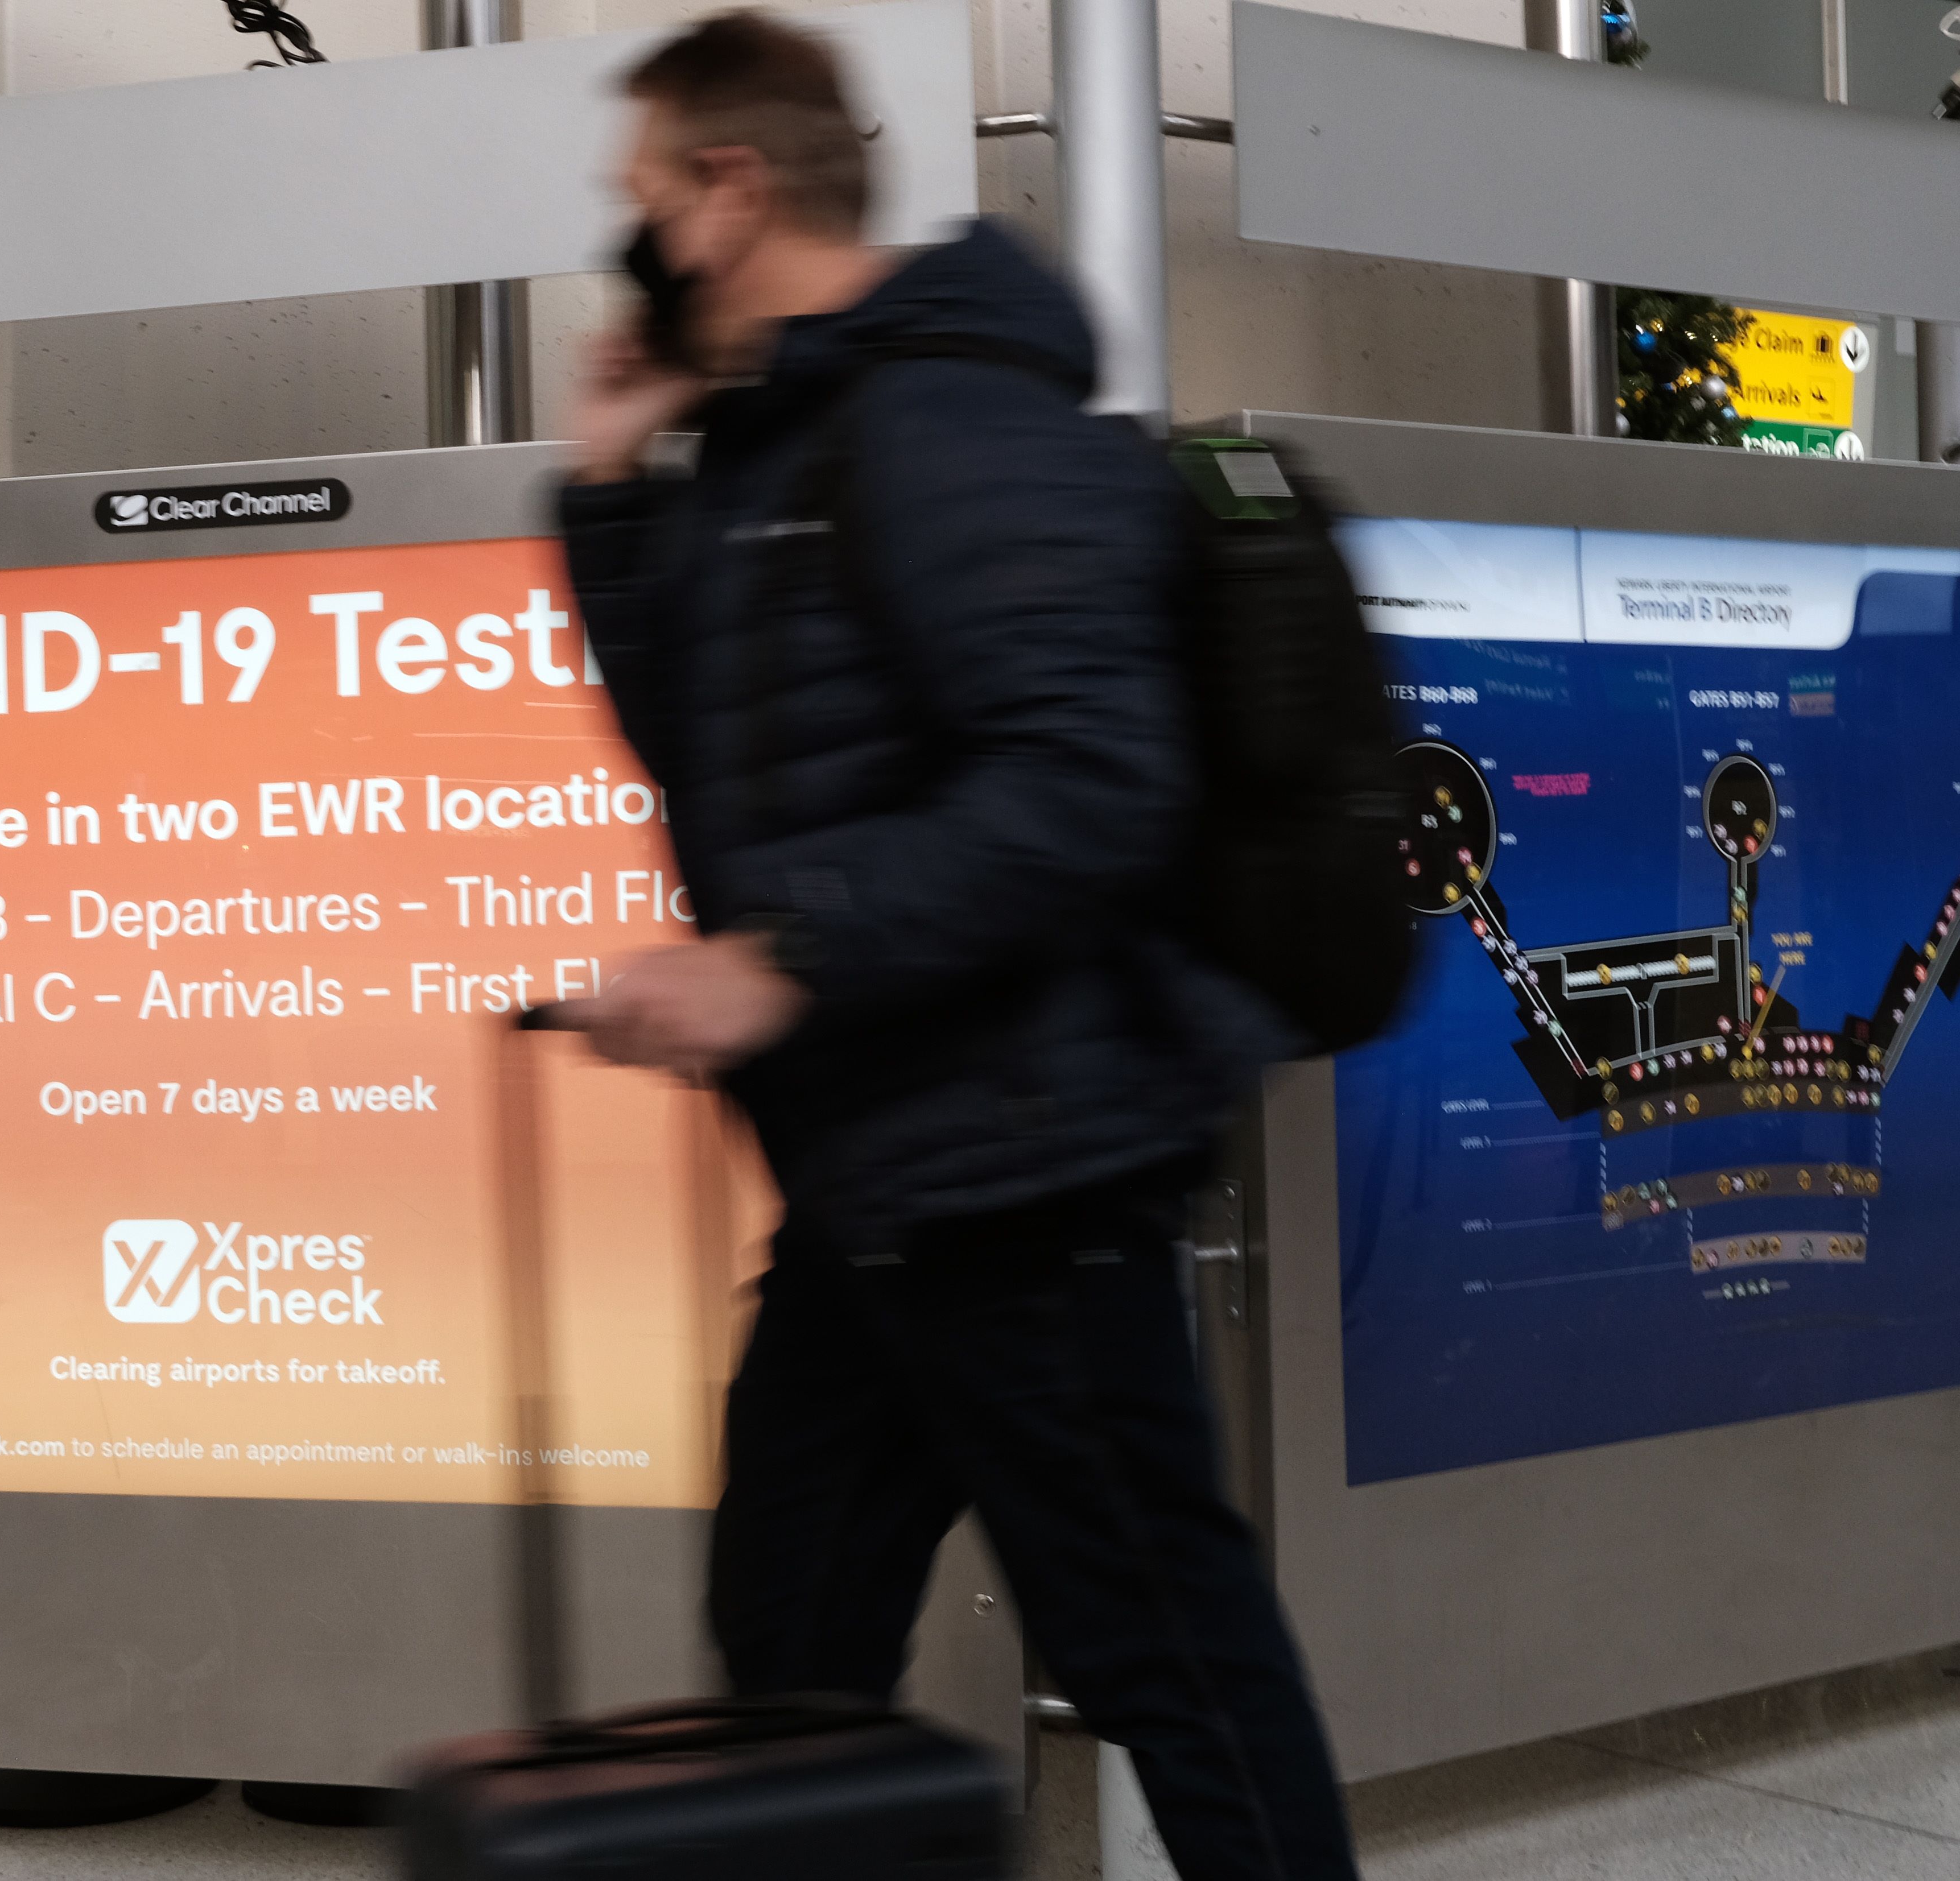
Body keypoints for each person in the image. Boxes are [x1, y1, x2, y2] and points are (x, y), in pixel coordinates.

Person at [550, 15, 1355, 1881]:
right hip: (884, 1170)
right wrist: (608, 486)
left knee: (1165, 1647)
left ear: (727, 193)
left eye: (642, 197)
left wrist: (774, 962)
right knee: (792, 1628)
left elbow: (1093, 781)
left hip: (1023, 1156)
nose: (632, 239)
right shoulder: (791, 443)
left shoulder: (951, 419)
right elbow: (725, 762)